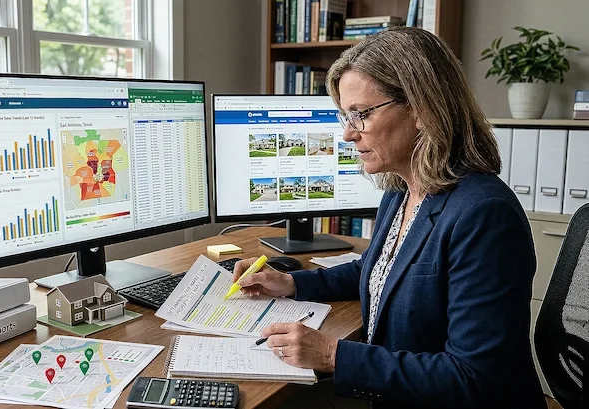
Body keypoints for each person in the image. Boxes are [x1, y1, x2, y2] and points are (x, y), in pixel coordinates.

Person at [233, 27, 546, 409]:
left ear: (421, 108)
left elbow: (472, 378)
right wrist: (289, 282)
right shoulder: (400, 191)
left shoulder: (484, 214)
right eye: (345, 116)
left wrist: (333, 355)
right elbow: (379, 267)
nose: (348, 134)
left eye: (361, 114)